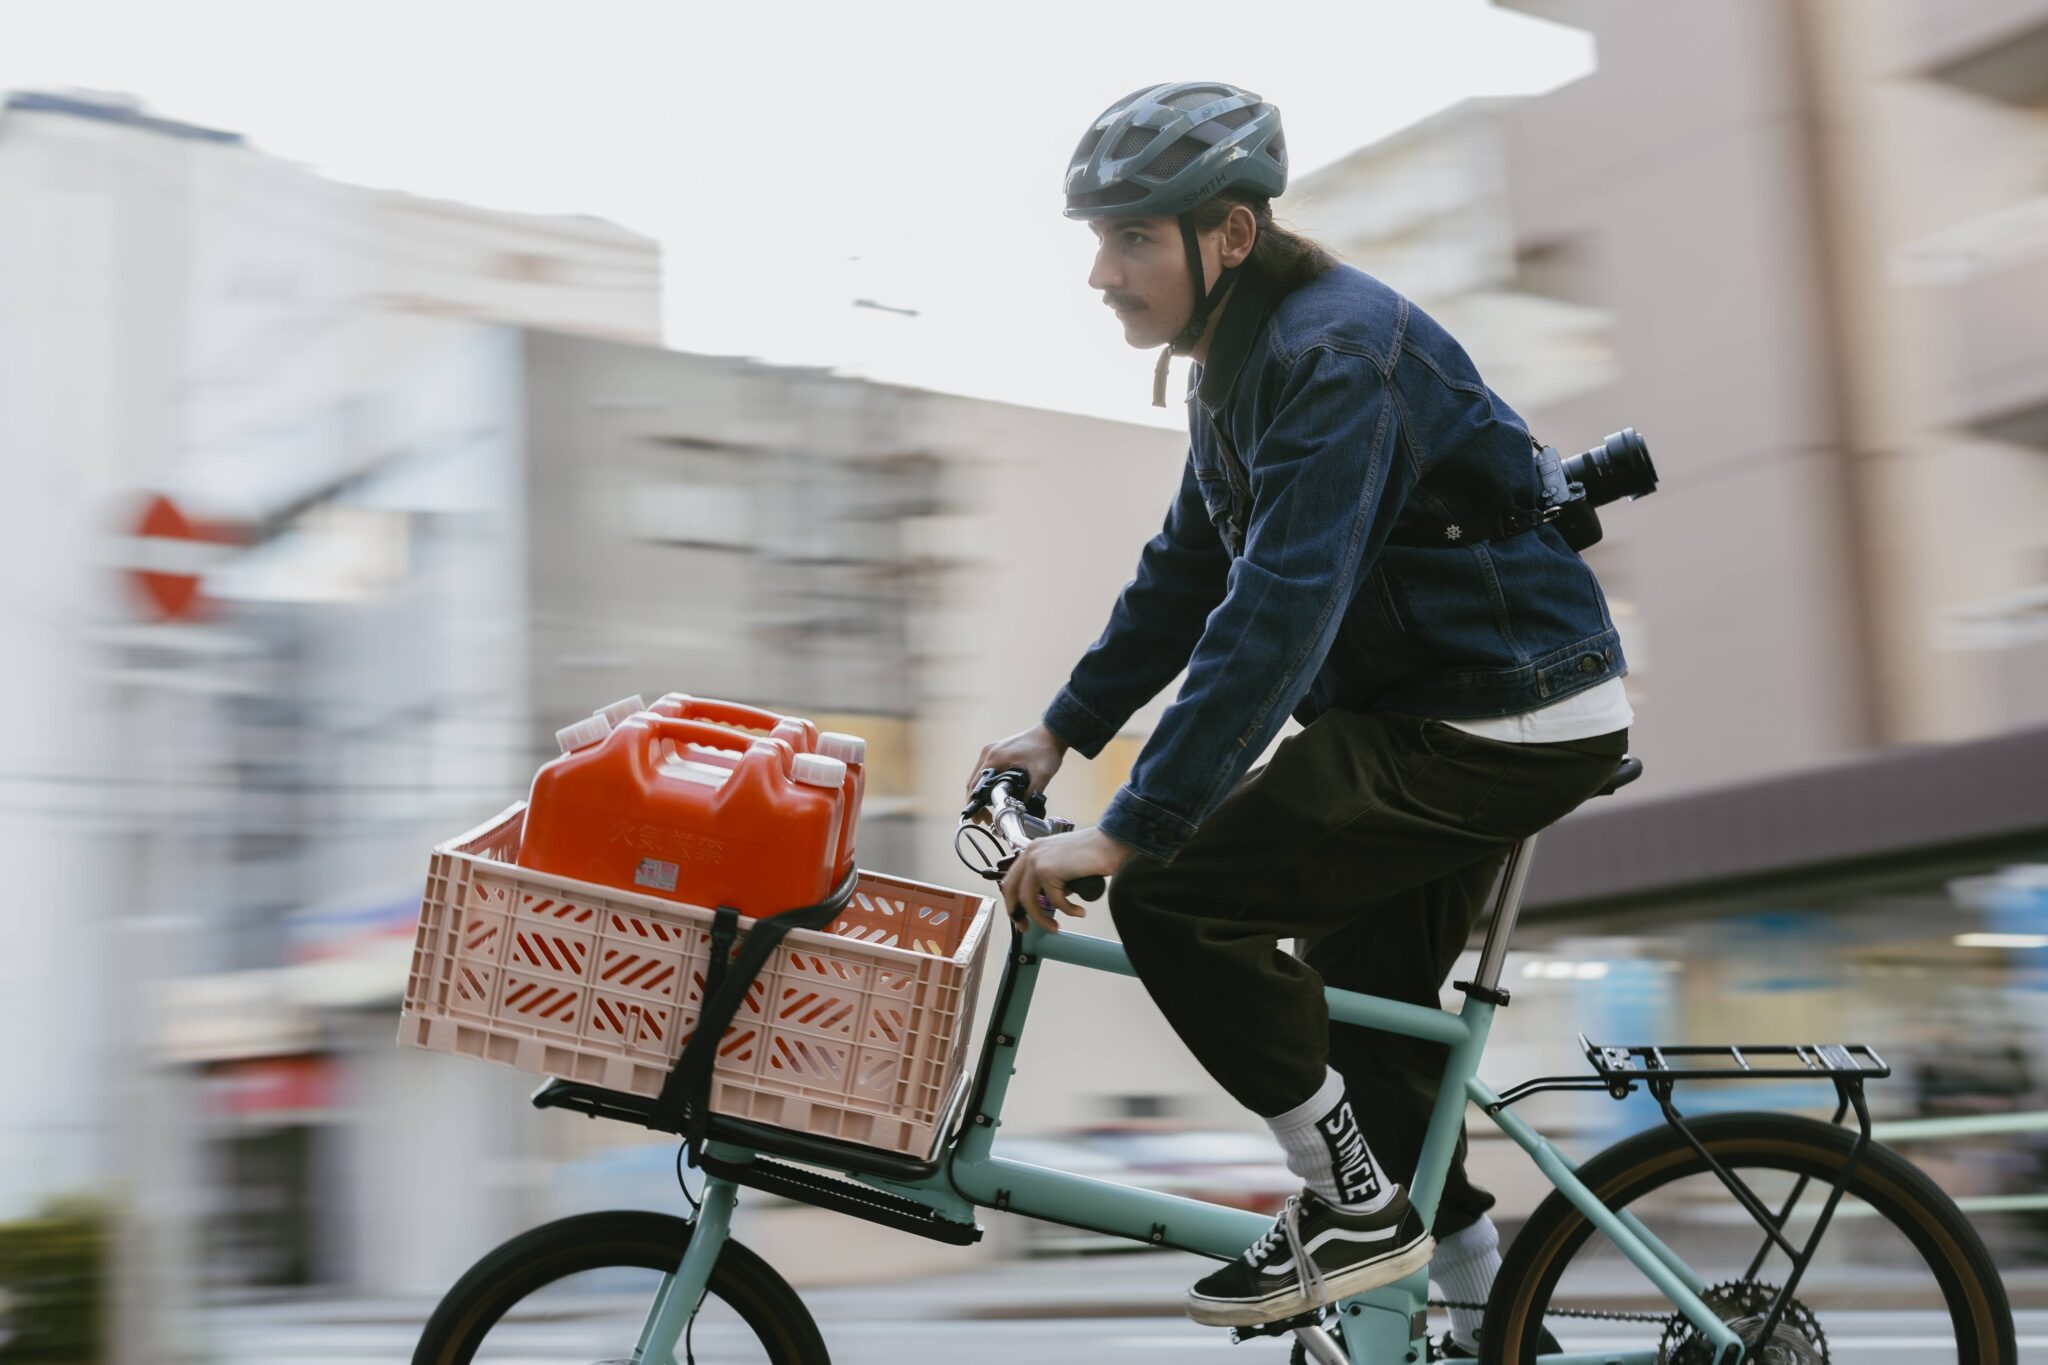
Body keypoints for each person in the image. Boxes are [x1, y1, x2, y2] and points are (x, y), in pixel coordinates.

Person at [967, 82, 1631, 1347]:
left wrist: (1132, 829)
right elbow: (1192, 565)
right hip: (1428, 712)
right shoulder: (1236, 359)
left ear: (1226, 233)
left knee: (1176, 901)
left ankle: (1350, 1209)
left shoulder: (1333, 354)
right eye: (1095, 241)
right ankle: (1495, 1324)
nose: (1101, 273)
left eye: (1131, 240)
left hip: (1497, 714)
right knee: (1358, 1017)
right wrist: (1065, 724)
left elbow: (1280, 605)